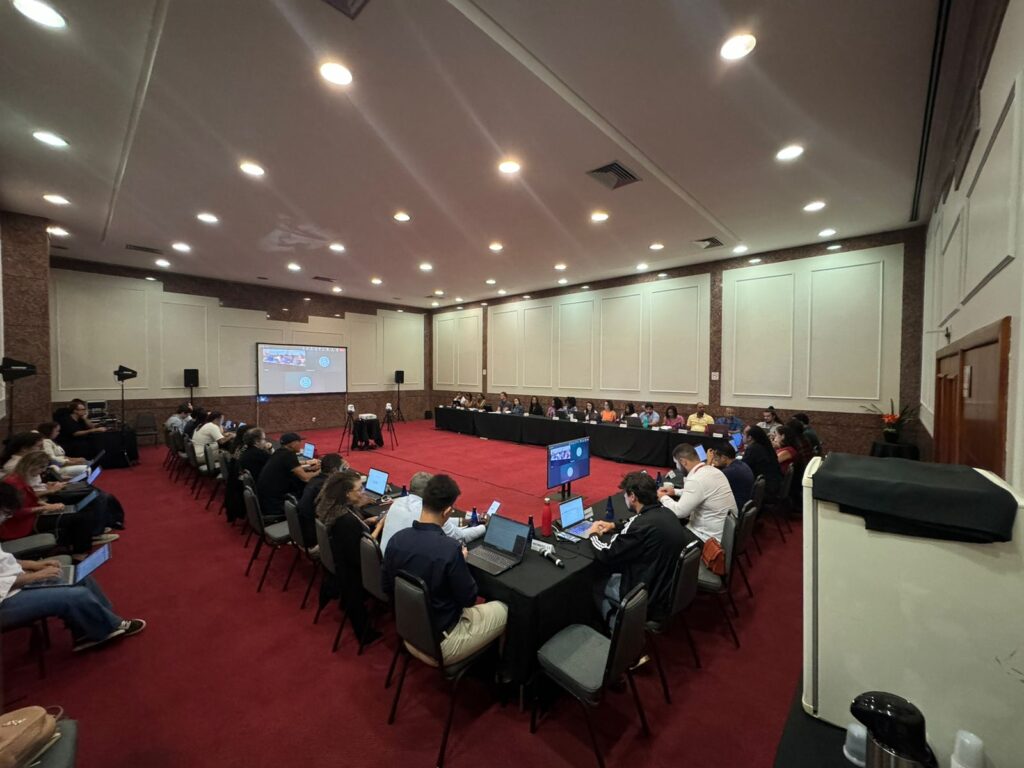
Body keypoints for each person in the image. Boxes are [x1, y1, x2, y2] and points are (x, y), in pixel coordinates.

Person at [0, 485, 145, 653]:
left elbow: (4, 560)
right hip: (5, 602)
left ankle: (107, 621)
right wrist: (36, 576)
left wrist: (35, 565)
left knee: (78, 576)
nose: (6, 519)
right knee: (76, 595)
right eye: (6, 514)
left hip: (15, 583)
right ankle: (100, 631)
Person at [382, 474, 508, 665]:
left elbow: (386, 586)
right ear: (448, 511)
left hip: (407, 630)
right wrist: (460, 562)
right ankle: (502, 673)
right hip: (441, 642)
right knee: (506, 609)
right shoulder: (449, 549)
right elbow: (469, 599)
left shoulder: (396, 540)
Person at [583, 472, 688, 626]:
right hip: (666, 589)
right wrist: (613, 525)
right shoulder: (666, 512)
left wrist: (593, 535)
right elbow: (637, 523)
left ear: (632, 497)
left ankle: (617, 631)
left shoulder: (641, 525)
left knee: (595, 584)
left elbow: (606, 553)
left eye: (625, 495)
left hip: (646, 598)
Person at [316, 471, 382, 646]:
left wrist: (366, 523)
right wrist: (379, 526)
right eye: (359, 489)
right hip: (353, 571)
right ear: (347, 493)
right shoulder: (346, 521)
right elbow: (365, 550)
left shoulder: (335, 509)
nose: (362, 492)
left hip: (339, 562)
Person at [1, 452, 108, 555]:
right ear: (31, 466)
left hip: (31, 516)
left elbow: (31, 500)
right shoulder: (13, 482)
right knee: (79, 518)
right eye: (41, 468)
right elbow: (16, 512)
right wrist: (45, 508)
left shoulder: (20, 478)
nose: (43, 471)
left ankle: (85, 539)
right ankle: (80, 552)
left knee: (79, 513)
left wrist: (46, 506)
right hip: (22, 524)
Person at [379, 471, 485, 554]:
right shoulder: (427, 513)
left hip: (386, 565)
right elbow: (461, 536)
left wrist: (464, 521)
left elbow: (444, 522)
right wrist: (485, 527)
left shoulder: (397, 502)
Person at [658, 443, 734, 542]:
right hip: (724, 533)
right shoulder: (714, 471)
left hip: (707, 539)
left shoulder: (696, 479)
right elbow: (700, 492)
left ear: (683, 462)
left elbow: (679, 512)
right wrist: (675, 491)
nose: (676, 466)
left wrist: (662, 497)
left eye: (676, 463)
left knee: (661, 533)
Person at [256, 432, 320, 522]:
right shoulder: (288, 455)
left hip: (266, 501)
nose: (301, 444)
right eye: (299, 442)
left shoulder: (279, 452)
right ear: (292, 444)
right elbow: (305, 478)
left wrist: (310, 468)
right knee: (310, 491)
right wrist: (319, 471)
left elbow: (290, 467)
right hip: (276, 505)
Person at [297, 453, 345, 546]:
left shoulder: (315, 479)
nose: (344, 471)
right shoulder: (327, 486)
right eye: (343, 468)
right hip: (313, 533)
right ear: (335, 470)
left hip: (302, 527)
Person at [708, 443, 754, 513]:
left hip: (736, 509)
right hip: (745, 504)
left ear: (724, 458)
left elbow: (707, 482)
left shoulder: (729, 472)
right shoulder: (740, 464)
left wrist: (709, 462)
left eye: (716, 458)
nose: (714, 460)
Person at [742, 426, 783, 497]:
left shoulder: (753, 448)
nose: (742, 436)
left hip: (765, 489)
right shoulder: (765, 446)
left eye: (744, 434)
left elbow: (743, 468)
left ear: (750, 438)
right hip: (774, 484)